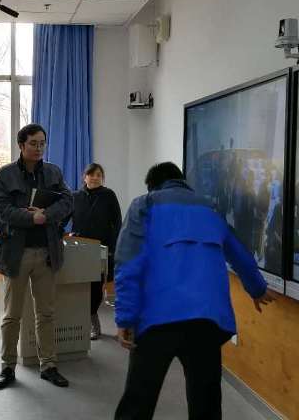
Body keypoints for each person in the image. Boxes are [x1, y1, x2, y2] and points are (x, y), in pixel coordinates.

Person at [114, 162, 275, 420]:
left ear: (153, 186)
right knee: (206, 406)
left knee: (138, 403)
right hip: (206, 320)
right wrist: (257, 289)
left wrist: (125, 318)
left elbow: (128, 263)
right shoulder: (210, 209)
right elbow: (239, 253)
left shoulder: (145, 204)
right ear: (181, 181)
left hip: (157, 319)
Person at [0, 123, 73, 390]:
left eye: (42, 143)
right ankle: (7, 367)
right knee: (12, 315)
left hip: (47, 252)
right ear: (21, 145)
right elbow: (0, 207)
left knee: (46, 313)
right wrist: (30, 218)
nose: (39, 148)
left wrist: (45, 215)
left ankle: (48, 365)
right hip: (16, 253)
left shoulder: (53, 172)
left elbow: (68, 201)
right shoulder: (5, 174)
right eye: (33, 144)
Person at [71, 163, 122, 340]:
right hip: (78, 249)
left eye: (98, 175)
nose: (95, 178)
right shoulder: (75, 196)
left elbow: (117, 223)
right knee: (79, 286)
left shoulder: (109, 195)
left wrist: (113, 248)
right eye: (91, 174)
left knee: (95, 287)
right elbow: (64, 219)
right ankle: (78, 322)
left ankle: (94, 321)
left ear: (102, 178)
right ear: (84, 177)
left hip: (102, 249)